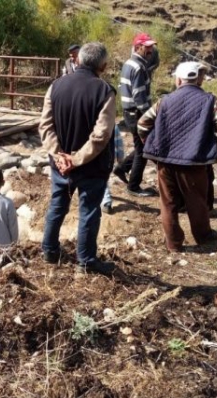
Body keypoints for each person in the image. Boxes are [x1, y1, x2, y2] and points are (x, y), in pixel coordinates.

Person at [137, 61, 217, 252]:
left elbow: (142, 124)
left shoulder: (163, 101)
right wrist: (215, 154)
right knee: (197, 201)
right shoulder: (210, 101)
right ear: (198, 79)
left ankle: (173, 243)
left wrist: (153, 148)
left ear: (178, 80)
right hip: (195, 162)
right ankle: (203, 237)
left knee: (168, 203)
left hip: (165, 161)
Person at [39, 42, 116, 275]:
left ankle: (49, 252)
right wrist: (76, 159)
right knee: (89, 212)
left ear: (78, 60)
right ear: (103, 66)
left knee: (57, 205)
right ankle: (85, 262)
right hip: (91, 167)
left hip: (60, 166)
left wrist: (59, 155)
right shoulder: (105, 91)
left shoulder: (56, 86)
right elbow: (101, 135)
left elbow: (45, 126)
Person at [115, 32, 158, 197]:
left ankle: (122, 168)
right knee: (143, 150)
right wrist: (149, 115)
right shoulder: (139, 67)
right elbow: (139, 96)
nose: (150, 50)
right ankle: (133, 187)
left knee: (141, 146)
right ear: (138, 47)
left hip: (129, 112)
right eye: (147, 47)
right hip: (137, 112)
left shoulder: (129, 63)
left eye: (151, 47)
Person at [101, 123, 125, 214]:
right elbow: (119, 141)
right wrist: (120, 157)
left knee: (102, 179)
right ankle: (105, 200)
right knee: (103, 178)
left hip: (99, 157)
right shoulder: (111, 122)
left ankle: (106, 201)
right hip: (109, 157)